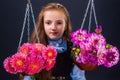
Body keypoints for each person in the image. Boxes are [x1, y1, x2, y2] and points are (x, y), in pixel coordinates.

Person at [22, 2, 86, 80]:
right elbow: (29, 77)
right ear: (43, 25)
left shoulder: (73, 47)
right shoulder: (35, 49)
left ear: (66, 25)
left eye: (59, 23)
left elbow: (78, 77)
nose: (53, 27)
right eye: (48, 23)